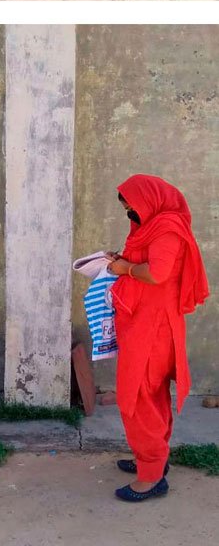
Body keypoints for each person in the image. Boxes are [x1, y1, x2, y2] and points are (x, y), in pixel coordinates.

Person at [105, 175, 209, 502]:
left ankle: (150, 476)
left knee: (137, 396)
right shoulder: (153, 224)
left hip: (153, 328)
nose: (131, 217)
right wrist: (119, 261)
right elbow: (144, 262)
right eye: (127, 212)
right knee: (152, 393)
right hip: (146, 323)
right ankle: (153, 457)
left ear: (149, 200)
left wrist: (125, 270)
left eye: (132, 210)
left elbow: (157, 273)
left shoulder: (166, 228)